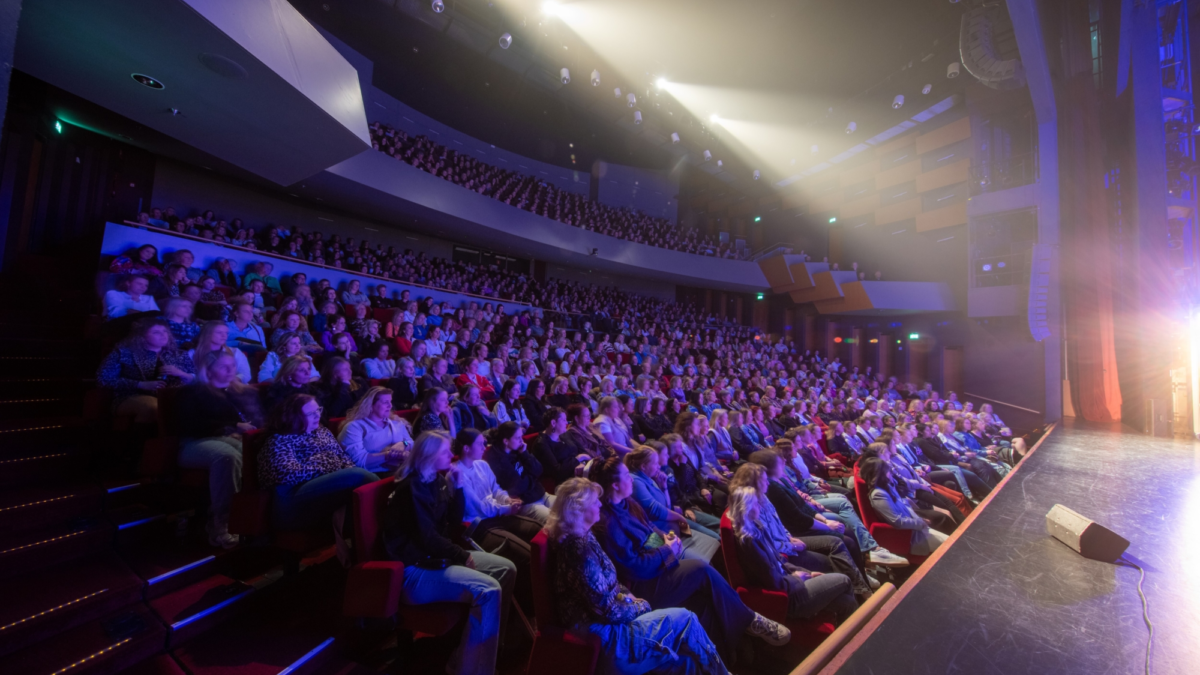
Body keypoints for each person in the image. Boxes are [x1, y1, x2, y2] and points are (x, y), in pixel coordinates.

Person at [586, 457, 791, 662]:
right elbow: (633, 568)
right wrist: (667, 551)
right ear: (614, 484)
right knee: (701, 570)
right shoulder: (607, 522)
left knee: (703, 603)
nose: (631, 480)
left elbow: (650, 529)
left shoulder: (628, 503)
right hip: (644, 584)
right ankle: (751, 620)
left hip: (659, 566)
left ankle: (733, 652)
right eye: (626, 477)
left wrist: (665, 539)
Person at [546, 478, 731, 675]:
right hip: (605, 637)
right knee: (687, 619)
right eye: (594, 502)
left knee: (687, 664)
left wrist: (630, 596)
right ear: (578, 511)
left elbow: (610, 584)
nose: (600, 504)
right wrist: (640, 605)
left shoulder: (584, 534)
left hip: (611, 622)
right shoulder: (578, 552)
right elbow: (607, 611)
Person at [383, 431, 517, 675]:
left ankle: (489, 648)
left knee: (506, 569)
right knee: (488, 589)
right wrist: (461, 555)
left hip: (434, 559)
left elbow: (452, 523)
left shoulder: (436, 480)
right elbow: (427, 538)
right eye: (445, 451)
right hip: (413, 569)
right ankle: (470, 668)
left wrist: (458, 488)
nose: (450, 455)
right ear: (429, 455)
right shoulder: (412, 487)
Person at [727, 487, 858, 623]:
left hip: (790, 581)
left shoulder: (756, 527)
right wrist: (798, 578)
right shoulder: (748, 542)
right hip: (789, 596)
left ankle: (853, 635)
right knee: (845, 580)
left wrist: (805, 572)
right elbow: (771, 579)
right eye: (755, 503)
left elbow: (779, 561)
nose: (759, 505)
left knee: (847, 603)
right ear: (745, 507)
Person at [176, 350, 264, 548]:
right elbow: (188, 426)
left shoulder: (235, 392)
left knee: (256, 450)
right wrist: (232, 427)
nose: (230, 370)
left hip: (225, 437)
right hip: (193, 443)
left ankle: (256, 516)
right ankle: (220, 523)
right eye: (224, 367)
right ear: (208, 370)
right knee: (226, 456)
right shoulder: (192, 392)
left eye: (232, 366)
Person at [257, 394, 377, 531]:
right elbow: (288, 474)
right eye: (310, 413)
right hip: (291, 499)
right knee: (357, 476)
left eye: (318, 410)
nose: (317, 416)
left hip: (319, 493)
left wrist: (329, 465)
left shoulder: (322, 432)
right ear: (295, 416)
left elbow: (343, 459)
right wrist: (328, 464)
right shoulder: (279, 439)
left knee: (357, 487)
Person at [97, 316, 194, 425]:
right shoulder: (124, 353)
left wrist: (181, 373)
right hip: (130, 396)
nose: (163, 335)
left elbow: (197, 379)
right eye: (156, 332)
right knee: (152, 407)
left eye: (165, 331)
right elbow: (103, 379)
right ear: (142, 336)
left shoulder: (179, 354)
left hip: (174, 396)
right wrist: (140, 384)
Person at [626, 445, 720, 543]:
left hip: (673, 521)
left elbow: (667, 505)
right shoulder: (636, 481)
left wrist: (664, 487)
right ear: (643, 466)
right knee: (716, 538)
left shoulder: (648, 478)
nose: (658, 466)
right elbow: (655, 510)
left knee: (718, 532)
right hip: (665, 531)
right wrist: (679, 517)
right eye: (655, 463)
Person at [860, 457, 949, 555]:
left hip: (917, 525)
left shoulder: (887, 486)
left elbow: (904, 505)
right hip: (912, 535)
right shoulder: (878, 494)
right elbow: (897, 521)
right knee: (950, 546)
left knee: (949, 537)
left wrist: (920, 518)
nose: (891, 473)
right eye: (888, 471)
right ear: (879, 474)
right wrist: (920, 522)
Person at [483, 422, 555, 523]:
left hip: (540, 494)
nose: (522, 441)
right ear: (506, 441)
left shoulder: (518, 449)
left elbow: (539, 470)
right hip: (527, 503)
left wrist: (525, 454)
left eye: (521, 436)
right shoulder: (497, 460)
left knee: (571, 508)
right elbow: (519, 487)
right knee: (555, 521)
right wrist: (533, 478)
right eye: (518, 438)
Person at [337, 387, 413, 474]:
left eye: (390, 401)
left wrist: (403, 444)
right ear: (371, 405)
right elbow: (358, 462)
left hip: (400, 471)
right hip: (373, 476)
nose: (390, 406)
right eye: (385, 402)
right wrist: (390, 455)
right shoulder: (354, 427)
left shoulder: (396, 423)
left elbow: (410, 442)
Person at [314, 356, 366, 421]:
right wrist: (344, 387)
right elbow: (333, 413)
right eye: (345, 370)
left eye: (349, 368)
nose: (350, 372)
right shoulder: (321, 389)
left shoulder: (359, 382)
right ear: (334, 374)